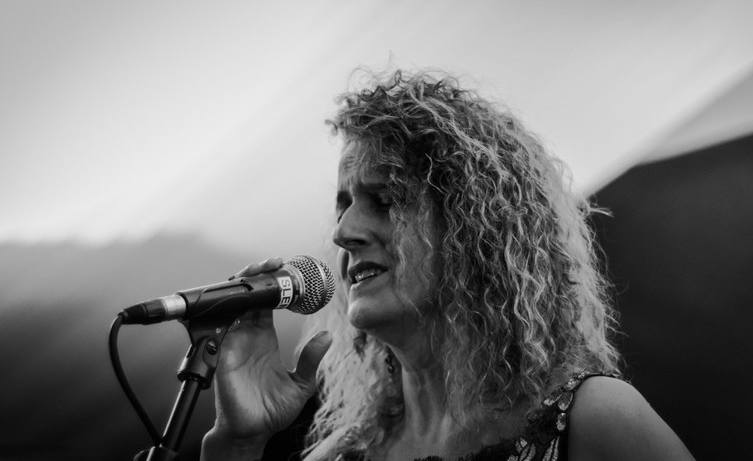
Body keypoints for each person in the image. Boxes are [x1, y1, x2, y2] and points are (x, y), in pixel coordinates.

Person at [201, 69, 694, 460]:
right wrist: (237, 445)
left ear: (473, 226)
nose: (343, 232)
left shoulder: (595, 420)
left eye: (386, 199)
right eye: (343, 205)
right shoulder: (340, 454)